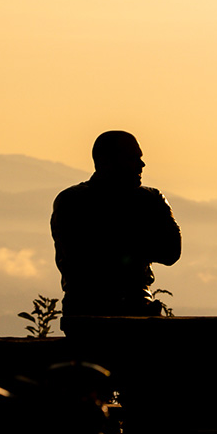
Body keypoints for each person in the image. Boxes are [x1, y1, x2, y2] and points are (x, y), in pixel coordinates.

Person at [50, 130, 182, 326]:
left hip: (137, 309)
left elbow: (171, 251)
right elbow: (80, 259)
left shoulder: (151, 199)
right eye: (132, 158)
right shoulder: (72, 201)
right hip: (88, 313)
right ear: (106, 161)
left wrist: (111, 239)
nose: (141, 165)